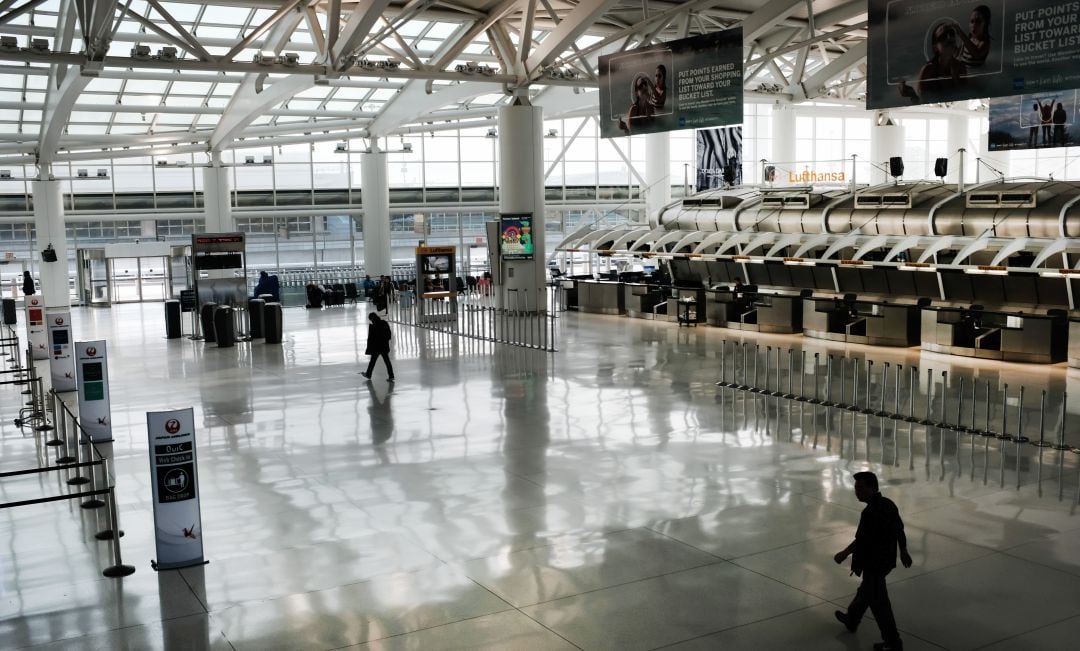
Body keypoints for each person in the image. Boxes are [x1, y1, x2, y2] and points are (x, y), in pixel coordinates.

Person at [834, 471, 913, 651]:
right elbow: (899, 529)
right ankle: (852, 619)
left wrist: (844, 553)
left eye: (860, 488)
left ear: (872, 488)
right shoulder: (888, 505)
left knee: (880, 605)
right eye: (855, 488)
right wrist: (903, 550)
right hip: (885, 561)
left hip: (873, 562)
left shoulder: (869, 513)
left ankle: (893, 642)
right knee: (866, 591)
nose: (857, 492)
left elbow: (862, 540)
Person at [360, 312, 394, 381]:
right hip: (384, 346)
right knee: (387, 361)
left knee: (372, 362)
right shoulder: (384, 323)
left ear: (372, 319)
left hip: (376, 348)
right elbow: (389, 334)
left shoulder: (373, 327)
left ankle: (368, 374)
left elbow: (371, 340)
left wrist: (369, 349)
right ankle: (391, 376)